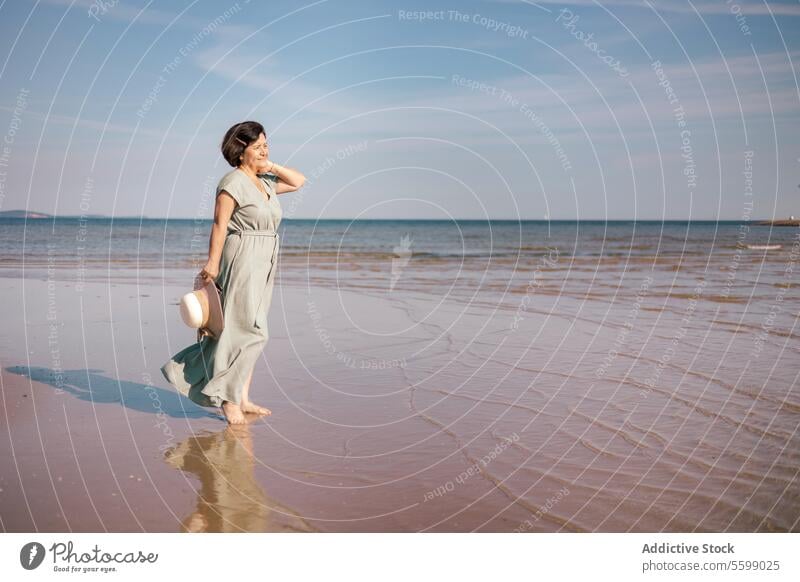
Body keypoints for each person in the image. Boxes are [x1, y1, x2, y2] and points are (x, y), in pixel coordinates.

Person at [161, 121, 306, 424]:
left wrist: (271, 165)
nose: (265, 150)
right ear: (241, 152)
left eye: (266, 143)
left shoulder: (265, 181)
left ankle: (242, 396)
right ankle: (228, 400)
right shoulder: (232, 182)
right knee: (246, 330)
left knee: (251, 326)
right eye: (258, 146)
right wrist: (212, 264)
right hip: (241, 256)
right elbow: (219, 225)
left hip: (265, 258)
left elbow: (298, 181)